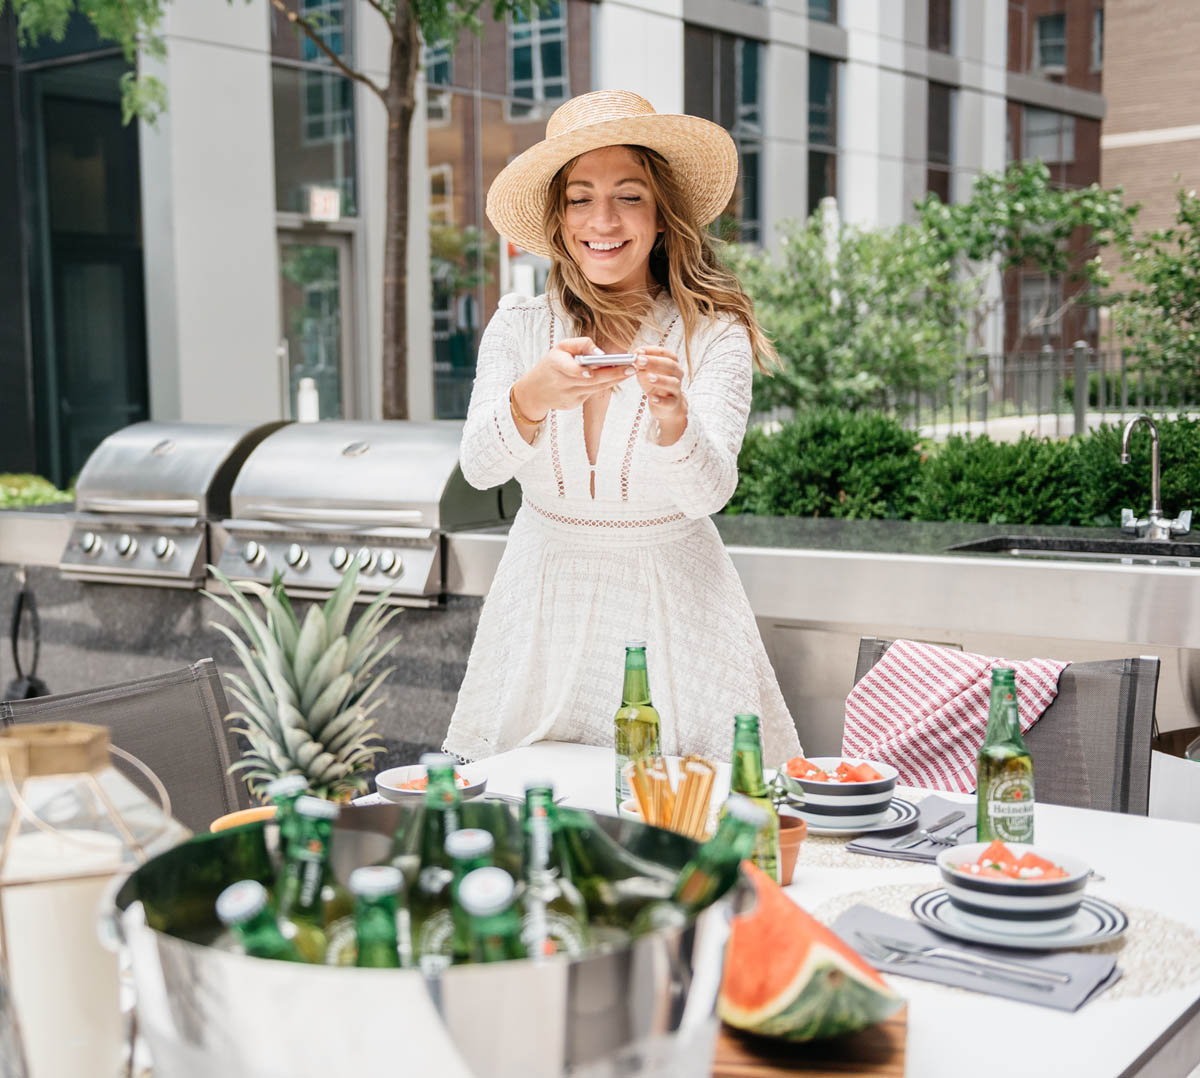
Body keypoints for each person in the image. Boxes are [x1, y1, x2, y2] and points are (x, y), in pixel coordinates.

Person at [444, 90, 801, 767]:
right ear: (557, 218)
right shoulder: (520, 327)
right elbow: (480, 469)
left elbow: (707, 495)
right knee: (536, 827)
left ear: (662, 216)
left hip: (677, 616)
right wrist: (530, 397)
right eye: (580, 198)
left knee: (694, 831)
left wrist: (674, 419)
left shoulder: (712, 335)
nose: (601, 220)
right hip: (541, 611)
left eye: (629, 196)